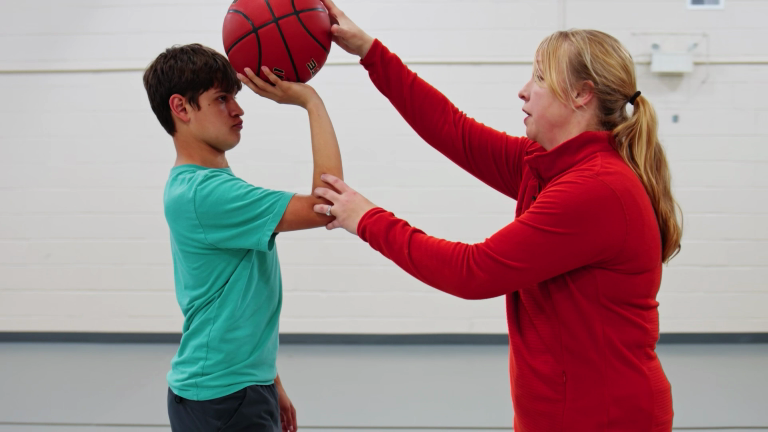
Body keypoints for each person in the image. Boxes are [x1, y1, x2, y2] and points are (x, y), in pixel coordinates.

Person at [311, 1, 683, 431]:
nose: (524, 90)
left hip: (604, 417)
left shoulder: (595, 189)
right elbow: (452, 129)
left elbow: (472, 272)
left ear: (582, 94)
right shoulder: (548, 163)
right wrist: (370, 51)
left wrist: (367, 218)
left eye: (540, 78)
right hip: (563, 412)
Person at [142, 43, 343, 432]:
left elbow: (236, 300)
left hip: (235, 387)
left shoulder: (205, 186)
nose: (238, 109)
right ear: (181, 108)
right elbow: (329, 202)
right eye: (221, 99)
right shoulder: (205, 194)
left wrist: (269, 380)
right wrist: (311, 101)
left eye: (234, 97)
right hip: (222, 398)